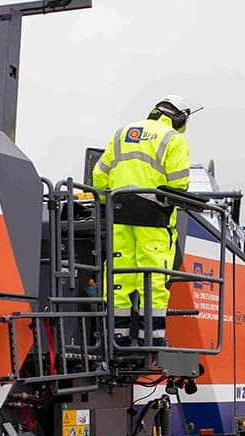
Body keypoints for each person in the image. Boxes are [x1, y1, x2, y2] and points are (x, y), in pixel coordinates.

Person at [91, 94, 196, 346]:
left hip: (118, 213)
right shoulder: (173, 139)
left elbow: (99, 178)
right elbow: (178, 184)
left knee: (119, 273)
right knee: (153, 274)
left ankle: (118, 335)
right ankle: (153, 336)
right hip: (153, 216)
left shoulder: (122, 133)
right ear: (179, 117)